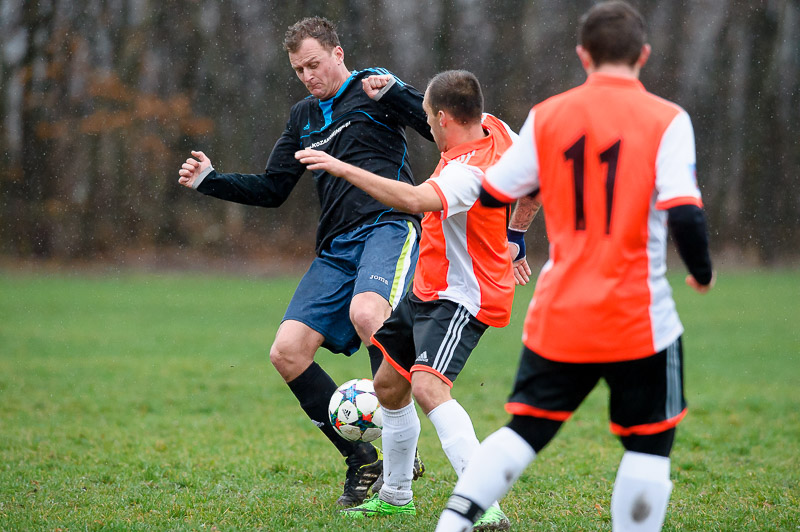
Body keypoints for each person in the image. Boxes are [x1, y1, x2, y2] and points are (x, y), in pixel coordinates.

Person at [435, 2, 715, 531]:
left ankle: (453, 523)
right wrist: (701, 272)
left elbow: (494, 193)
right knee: (649, 444)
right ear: (643, 55)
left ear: (583, 55)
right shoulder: (667, 119)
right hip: (639, 316)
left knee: (524, 431)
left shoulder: (549, 116)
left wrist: (514, 236)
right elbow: (684, 211)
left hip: (563, 311)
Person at [177, 17, 431, 507]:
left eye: (314, 64)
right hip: (336, 247)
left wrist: (399, 93)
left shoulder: (373, 87)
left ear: (338, 53)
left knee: (368, 314)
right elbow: (274, 189)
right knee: (287, 352)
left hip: (389, 226)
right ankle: (362, 458)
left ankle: (399, 443)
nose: (308, 76)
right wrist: (210, 180)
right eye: (299, 70)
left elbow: (435, 125)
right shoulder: (303, 117)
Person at [296, 70, 540, 531]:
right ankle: (395, 496)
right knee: (389, 385)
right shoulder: (497, 128)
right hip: (428, 286)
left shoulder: (468, 173)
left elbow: (411, 199)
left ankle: (483, 504)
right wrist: (517, 238)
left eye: (427, 117)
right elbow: (537, 180)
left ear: (444, 118)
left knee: (428, 387)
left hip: (461, 296)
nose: (426, 125)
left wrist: (342, 167)